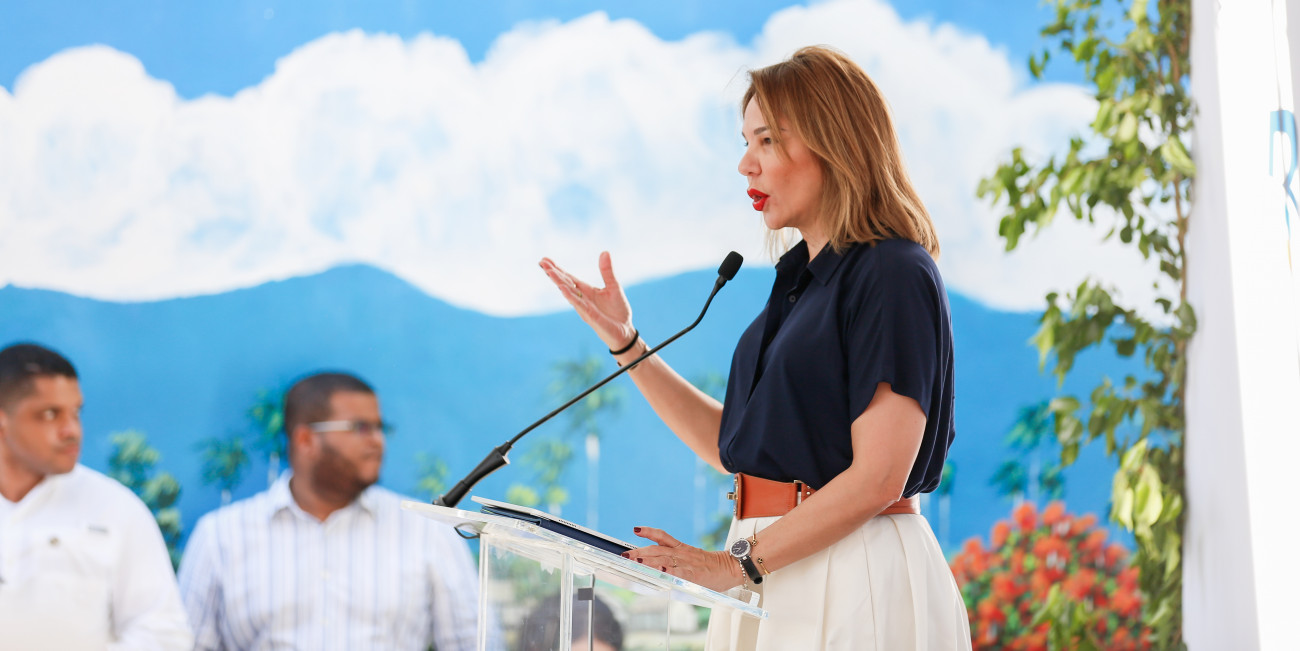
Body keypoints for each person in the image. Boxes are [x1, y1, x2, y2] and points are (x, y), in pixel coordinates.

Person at [540, 46, 972, 650]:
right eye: (746, 142)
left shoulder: (893, 272)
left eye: (767, 141)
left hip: (852, 569)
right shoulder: (798, 286)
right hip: (768, 567)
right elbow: (734, 447)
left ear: (835, 141)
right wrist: (626, 343)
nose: (746, 164)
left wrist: (733, 564)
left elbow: (879, 477)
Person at [178, 371, 480, 651]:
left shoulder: (426, 531)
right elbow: (188, 644)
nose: (377, 441)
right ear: (306, 439)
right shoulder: (221, 537)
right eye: (361, 428)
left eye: (380, 428)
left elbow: (473, 642)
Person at [0, 342, 193, 650]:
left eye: (76, 412)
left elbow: (163, 635)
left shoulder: (117, 510)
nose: (72, 430)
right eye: (50, 414)